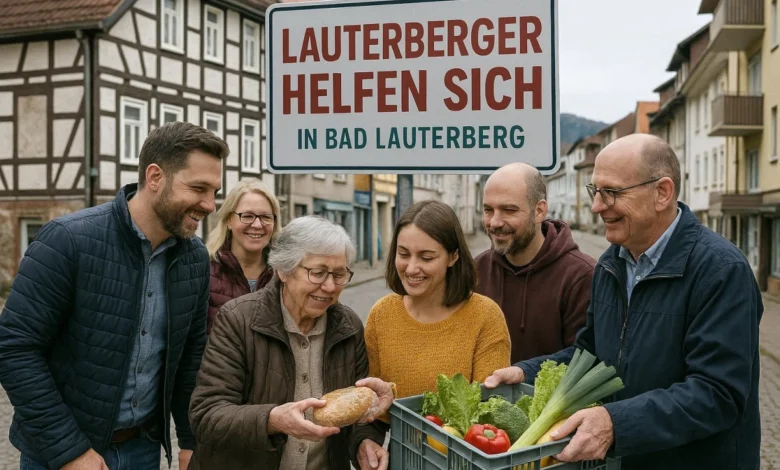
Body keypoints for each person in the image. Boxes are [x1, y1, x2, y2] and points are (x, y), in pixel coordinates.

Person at [485, 134, 762, 470]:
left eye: (612, 192)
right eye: (595, 191)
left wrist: (615, 424)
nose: (597, 206)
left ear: (662, 193)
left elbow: (718, 394)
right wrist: (525, 371)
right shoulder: (612, 264)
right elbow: (590, 356)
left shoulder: (720, 270)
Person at [0, 122, 228, 470]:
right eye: (198, 188)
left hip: (143, 451)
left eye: (214, 191)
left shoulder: (194, 258)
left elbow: (189, 359)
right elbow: (15, 348)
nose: (210, 205)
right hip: (58, 456)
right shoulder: (67, 240)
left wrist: (191, 441)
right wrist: (70, 451)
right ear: (155, 177)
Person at [188, 215, 393, 470]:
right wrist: (272, 420)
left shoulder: (348, 327)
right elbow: (207, 415)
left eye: (339, 274)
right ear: (283, 270)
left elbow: (356, 414)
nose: (330, 286)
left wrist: (364, 441)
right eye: (318, 273)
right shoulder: (238, 319)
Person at [362, 200, 511, 402]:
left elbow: (490, 406)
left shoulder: (485, 316)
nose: (411, 268)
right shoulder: (381, 313)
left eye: (427, 257)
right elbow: (370, 402)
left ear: (453, 257)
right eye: (403, 254)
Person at [476, 162, 596, 363]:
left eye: (508, 210)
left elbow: (584, 359)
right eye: (488, 210)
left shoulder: (581, 276)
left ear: (539, 211)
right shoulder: (476, 270)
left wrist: (524, 375)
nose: (494, 222)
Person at [205, 178, 281, 333]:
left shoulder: (283, 276)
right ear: (229, 220)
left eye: (266, 217)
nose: (257, 225)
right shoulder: (205, 272)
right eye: (247, 216)